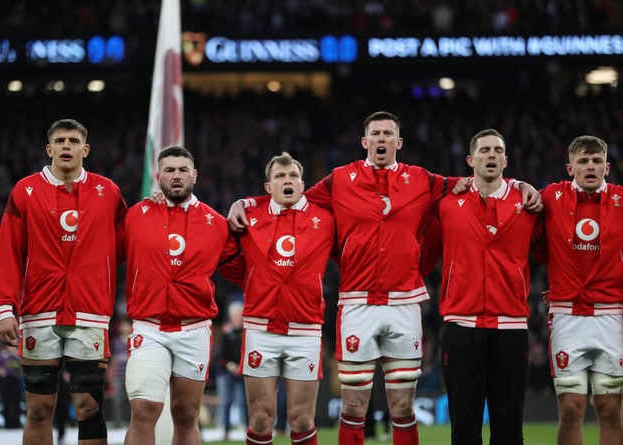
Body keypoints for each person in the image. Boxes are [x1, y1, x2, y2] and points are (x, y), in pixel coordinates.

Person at [228, 112, 542, 445]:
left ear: (398, 142)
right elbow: (289, 197)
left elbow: (473, 182)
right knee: (353, 404)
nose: (381, 139)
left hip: (404, 303)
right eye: (375, 134)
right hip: (356, 303)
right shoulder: (340, 179)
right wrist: (246, 202)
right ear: (364, 141)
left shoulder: (421, 179)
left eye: (388, 134)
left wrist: (521, 185)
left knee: (403, 406)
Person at [0, 118, 127, 445]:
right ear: (49, 148)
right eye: (60, 140)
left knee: (89, 406)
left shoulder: (108, 191)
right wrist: (4, 308)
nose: (67, 146)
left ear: (86, 149)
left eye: (73, 140)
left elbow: (126, 243)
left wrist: (96, 272)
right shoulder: (24, 191)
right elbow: (8, 251)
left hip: (90, 311)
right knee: (39, 409)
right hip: (39, 311)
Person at [420, 129, 541, 444]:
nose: (491, 155)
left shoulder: (527, 202)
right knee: (464, 426)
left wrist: (526, 186)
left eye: (497, 150)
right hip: (462, 324)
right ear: (470, 160)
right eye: (485, 150)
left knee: (510, 427)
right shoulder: (446, 203)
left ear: (506, 159)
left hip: (511, 324)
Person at [123, 146, 239, 445]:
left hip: (194, 329)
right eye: (170, 170)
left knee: (187, 415)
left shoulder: (216, 223)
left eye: (183, 169)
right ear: (158, 176)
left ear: (194, 175)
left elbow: (244, 269)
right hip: (148, 328)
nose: (177, 175)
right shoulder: (135, 216)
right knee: (143, 410)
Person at [220, 151, 335, 445]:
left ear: (302, 183)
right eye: (280, 176)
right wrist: (243, 202)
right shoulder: (249, 217)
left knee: (302, 419)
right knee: (260, 417)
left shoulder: (325, 217)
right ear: (268, 186)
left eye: (293, 176)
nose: (288, 180)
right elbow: (224, 257)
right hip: (260, 329)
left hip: (305, 329)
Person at [534, 135, 623, 445]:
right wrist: (521, 188)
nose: (590, 166)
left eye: (597, 161)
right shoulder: (550, 197)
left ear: (607, 167)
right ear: (569, 167)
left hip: (611, 315)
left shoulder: (621, 200)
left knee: (610, 409)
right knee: (571, 408)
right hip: (567, 316)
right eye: (583, 161)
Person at [216, 300, 247, 440]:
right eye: (235, 316)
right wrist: (231, 366)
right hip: (226, 371)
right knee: (225, 401)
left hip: (243, 370)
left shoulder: (246, 331)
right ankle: (225, 430)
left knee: (243, 401)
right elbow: (220, 355)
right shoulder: (226, 332)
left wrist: (242, 366)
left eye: (239, 316)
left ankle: (247, 428)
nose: (237, 319)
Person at [0, 343, 23, 429]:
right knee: (6, 402)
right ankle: (7, 423)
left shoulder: (19, 355)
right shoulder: (4, 355)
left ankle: (16, 422)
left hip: (16, 380)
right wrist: (2, 373)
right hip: (7, 381)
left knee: (16, 402)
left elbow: (23, 367)